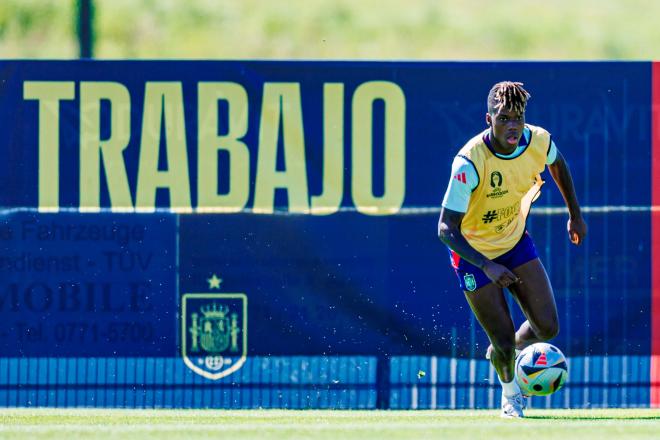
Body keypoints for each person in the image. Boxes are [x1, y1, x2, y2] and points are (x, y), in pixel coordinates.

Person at [437, 81, 587, 418]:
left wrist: (575, 215)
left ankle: (509, 350)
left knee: (547, 328)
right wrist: (487, 266)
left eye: (517, 117)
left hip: (515, 242)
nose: (513, 126)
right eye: (504, 118)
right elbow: (446, 229)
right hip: (473, 256)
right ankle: (510, 396)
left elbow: (558, 163)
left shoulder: (538, 140)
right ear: (487, 119)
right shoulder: (469, 162)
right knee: (502, 339)